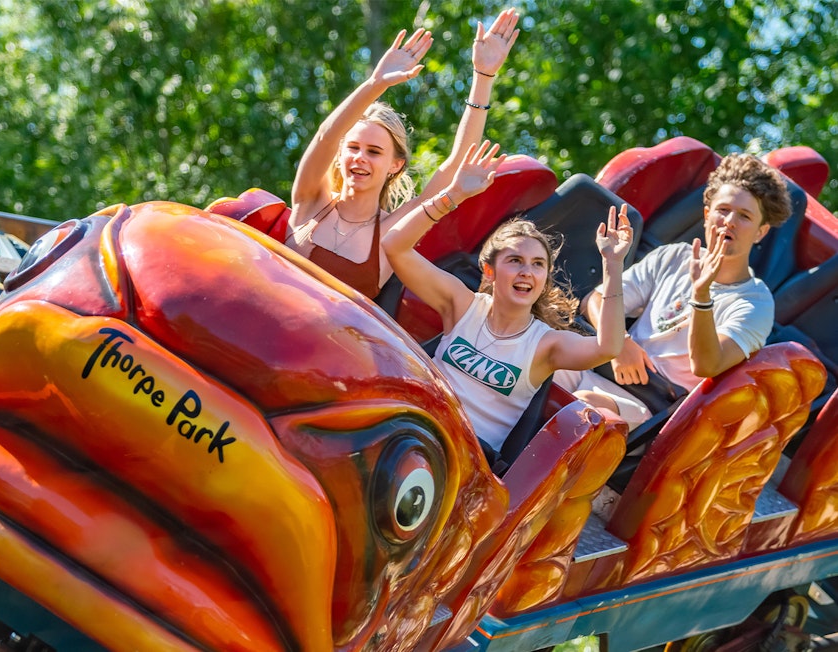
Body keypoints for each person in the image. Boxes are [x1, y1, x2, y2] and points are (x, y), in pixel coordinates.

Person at [381, 140, 634, 455]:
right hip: (410, 424)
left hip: (465, 457)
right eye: (515, 261)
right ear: (489, 271)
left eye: (537, 265)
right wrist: (454, 194)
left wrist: (612, 263)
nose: (527, 271)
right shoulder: (462, 306)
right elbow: (394, 246)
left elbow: (608, 347)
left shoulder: (545, 345)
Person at [287, 9, 520, 299]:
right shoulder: (310, 200)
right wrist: (376, 84)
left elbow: (456, 165)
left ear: (395, 165)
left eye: (374, 152)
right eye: (353, 147)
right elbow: (325, 136)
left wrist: (484, 77)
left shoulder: (392, 229)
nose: (360, 157)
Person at [572, 153, 793, 425]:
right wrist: (620, 341)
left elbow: (707, 365)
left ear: (761, 232)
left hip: (653, 408)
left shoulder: (755, 302)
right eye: (723, 210)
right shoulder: (674, 257)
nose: (730, 221)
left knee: (583, 406)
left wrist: (702, 297)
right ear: (707, 214)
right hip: (607, 366)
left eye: (745, 216)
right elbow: (593, 301)